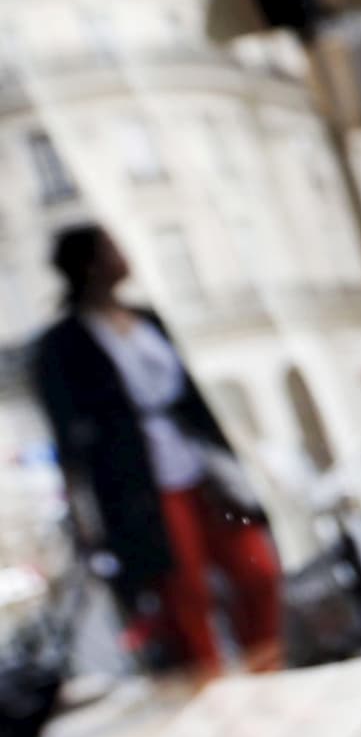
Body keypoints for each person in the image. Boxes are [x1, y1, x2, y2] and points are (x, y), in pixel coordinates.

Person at [31, 224, 281, 679]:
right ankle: (212, 690)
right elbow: (68, 438)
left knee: (256, 567)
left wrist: (229, 456)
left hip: (197, 464)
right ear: (88, 265)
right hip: (137, 484)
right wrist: (85, 515)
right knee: (184, 592)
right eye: (110, 248)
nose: (123, 255)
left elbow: (191, 398)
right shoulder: (62, 344)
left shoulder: (146, 319)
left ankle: (265, 668)